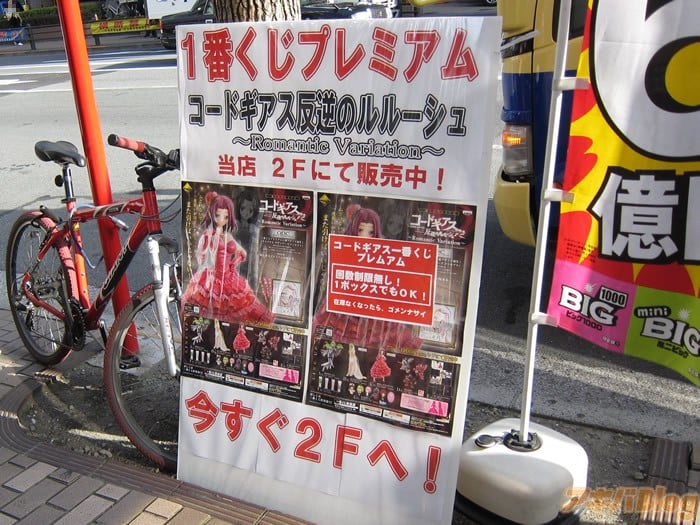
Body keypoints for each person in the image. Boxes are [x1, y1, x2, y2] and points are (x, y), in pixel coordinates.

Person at [312, 205, 423, 351]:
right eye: (360, 230)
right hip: (344, 307)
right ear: (353, 229)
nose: (364, 236)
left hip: (370, 308)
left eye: (370, 232)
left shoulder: (381, 254)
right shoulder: (343, 249)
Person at [182, 191, 273, 325]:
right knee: (215, 309)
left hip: (229, 277)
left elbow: (242, 252)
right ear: (211, 214)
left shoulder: (228, 235)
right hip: (213, 277)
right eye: (217, 215)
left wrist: (234, 262)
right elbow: (200, 256)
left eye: (225, 216)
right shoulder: (208, 235)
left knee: (238, 306)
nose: (221, 220)